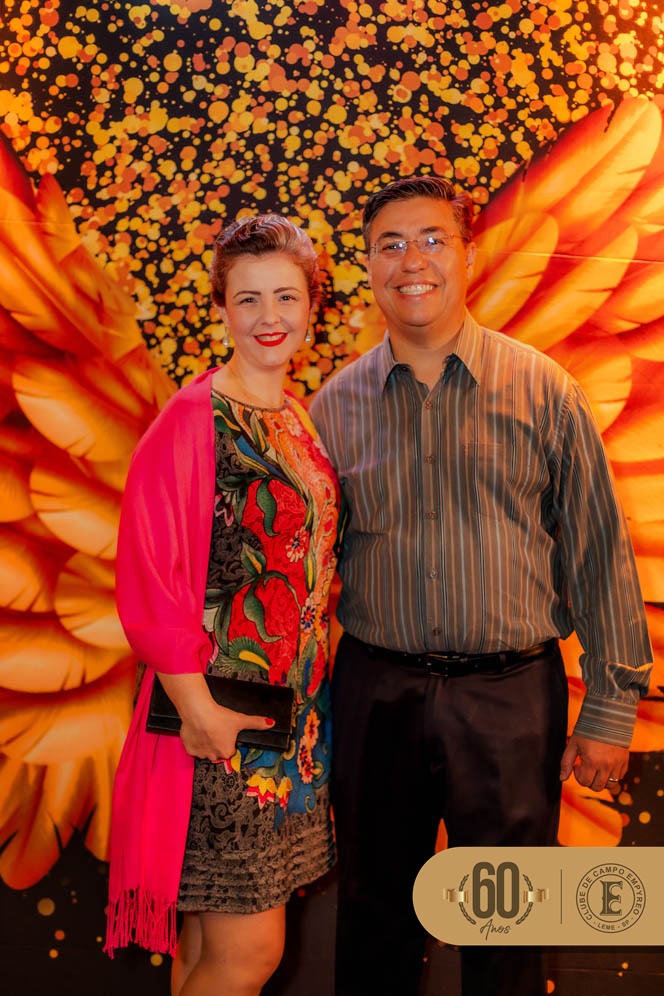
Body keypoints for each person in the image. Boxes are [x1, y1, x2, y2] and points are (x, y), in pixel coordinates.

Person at [309, 176, 653, 996]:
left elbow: (600, 553)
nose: (412, 261)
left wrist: (610, 711)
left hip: (510, 701)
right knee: (373, 920)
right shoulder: (333, 408)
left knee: (507, 929)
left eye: (432, 239)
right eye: (390, 245)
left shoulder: (543, 390)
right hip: (375, 693)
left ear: (467, 254)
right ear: (368, 266)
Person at [105, 214, 341, 996]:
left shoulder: (293, 414)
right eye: (248, 299)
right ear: (222, 309)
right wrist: (197, 708)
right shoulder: (193, 419)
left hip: (289, 720)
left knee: (207, 948)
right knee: (249, 955)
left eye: (285, 296)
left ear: (312, 304)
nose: (270, 316)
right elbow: (147, 576)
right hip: (220, 722)